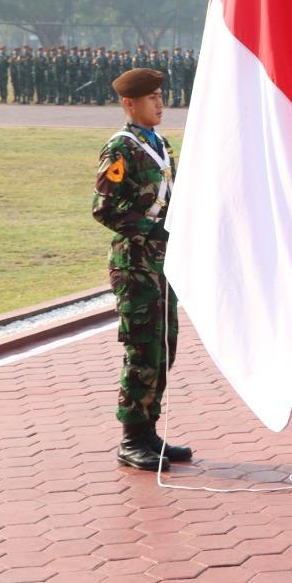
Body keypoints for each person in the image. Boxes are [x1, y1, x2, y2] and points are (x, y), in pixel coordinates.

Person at [93, 67, 191, 472]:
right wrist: (155, 231)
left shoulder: (160, 144)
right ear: (129, 103)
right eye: (151, 98)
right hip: (135, 266)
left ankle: (149, 429)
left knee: (163, 345)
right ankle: (131, 439)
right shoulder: (121, 149)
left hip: (161, 265)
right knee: (142, 349)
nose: (160, 103)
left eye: (160, 97)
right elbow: (104, 209)